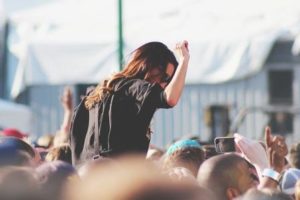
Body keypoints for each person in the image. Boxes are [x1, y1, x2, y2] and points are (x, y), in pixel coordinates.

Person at [71, 40, 190, 163]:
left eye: (169, 80)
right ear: (148, 66)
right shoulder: (134, 88)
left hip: (86, 174)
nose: (165, 84)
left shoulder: (94, 95)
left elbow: (75, 142)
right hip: (118, 176)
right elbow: (170, 98)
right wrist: (184, 60)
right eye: (164, 77)